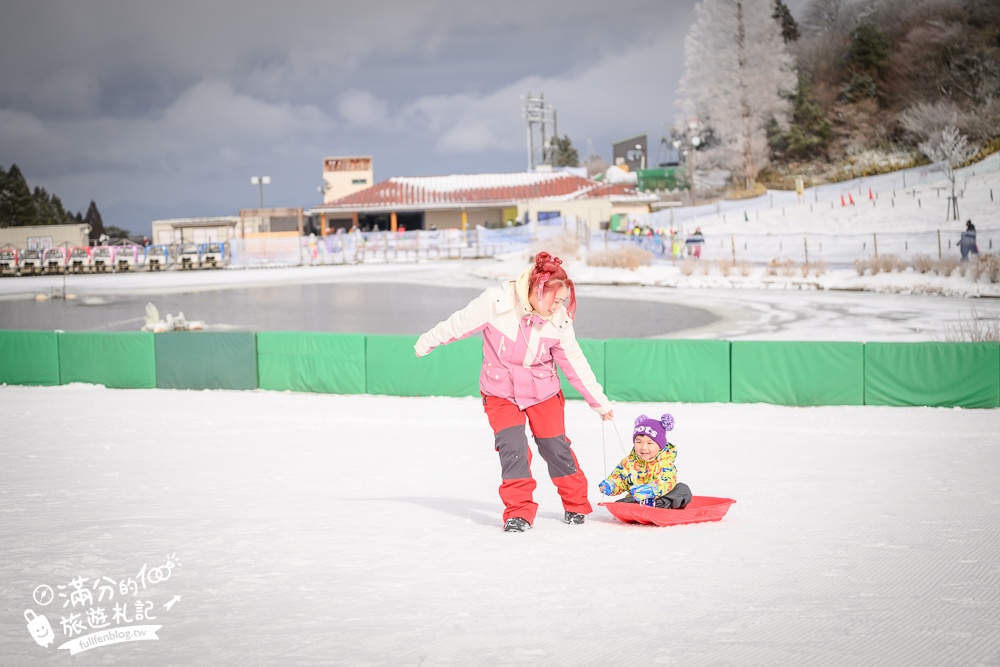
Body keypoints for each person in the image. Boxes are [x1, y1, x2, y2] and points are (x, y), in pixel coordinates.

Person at [415, 251, 614, 532]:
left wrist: (600, 403)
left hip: (543, 392)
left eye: (563, 302)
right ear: (537, 289)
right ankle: (518, 512)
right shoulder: (496, 302)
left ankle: (576, 504)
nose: (559, 307)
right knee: (513, 449)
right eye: (556, 300)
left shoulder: (558, 322)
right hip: (499, 392)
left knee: (555, 447)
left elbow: (575, 364)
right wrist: (427, 341)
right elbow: (458, 324)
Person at [597, 413, 691, 509]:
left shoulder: (665, 461)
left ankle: (659, 506)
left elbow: (667, 480)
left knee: (683, 490)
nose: (643, 447)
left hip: (661, 498)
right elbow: (620, 478)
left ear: (660, 446)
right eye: (639, 442)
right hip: (637, 500)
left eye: (650, 443)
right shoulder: (629, 462)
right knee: (621, 503)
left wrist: (652, 490)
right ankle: (636, 508)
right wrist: (612, 484)